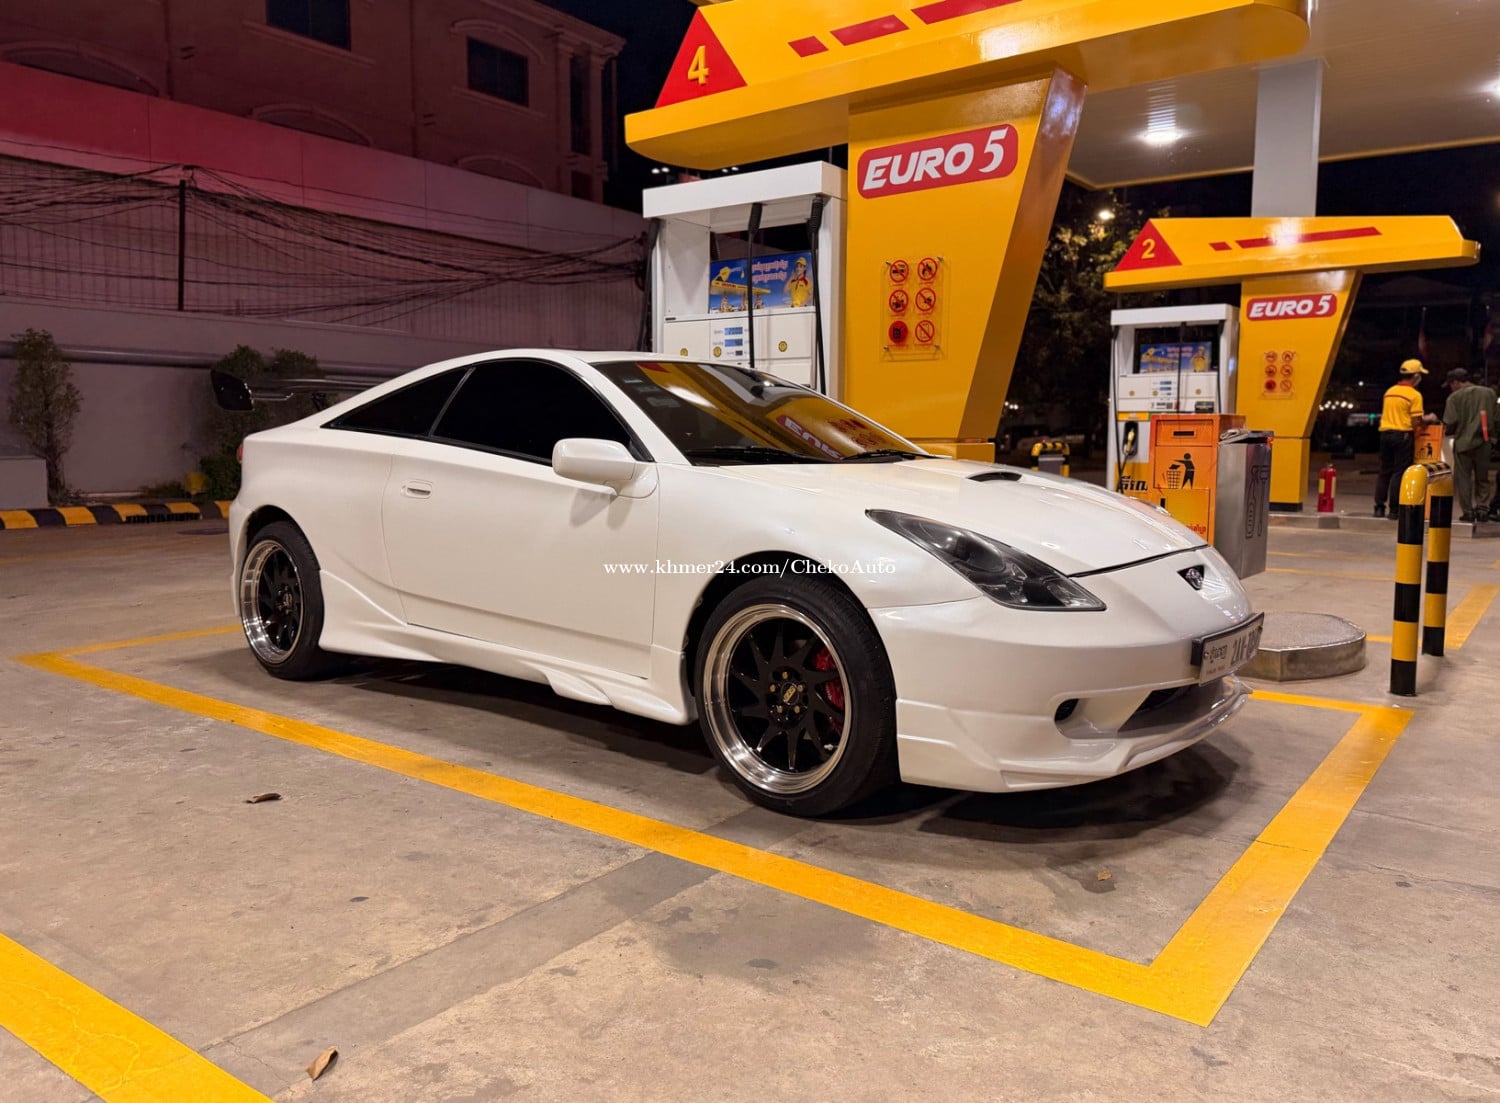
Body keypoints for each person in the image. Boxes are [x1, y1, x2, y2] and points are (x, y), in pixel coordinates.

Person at [1373, 359, 1438, 518]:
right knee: (1399, 473)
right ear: (1415, 376)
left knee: (1384, 472)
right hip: (1402, 436)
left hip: (1385, 434)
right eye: (1420, 375)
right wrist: (1429, 418)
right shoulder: (1414, 395)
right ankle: (1394, 510)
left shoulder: (1390, 392)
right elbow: (1416, 422)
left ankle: (1379, 507)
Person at [1441, 368, 1499, 522]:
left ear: (1456, 382)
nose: (1451, 388)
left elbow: (1450, 422)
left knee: (1464, 479)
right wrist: (1494, 438)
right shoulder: (1489, 393)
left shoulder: (1454, 398)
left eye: (1450, 384)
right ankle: (1483, 509)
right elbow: (1497, 417)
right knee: (1482, 478)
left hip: (1463, 444)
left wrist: (1449, 432)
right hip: (1484, 443)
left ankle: (1468, 512)